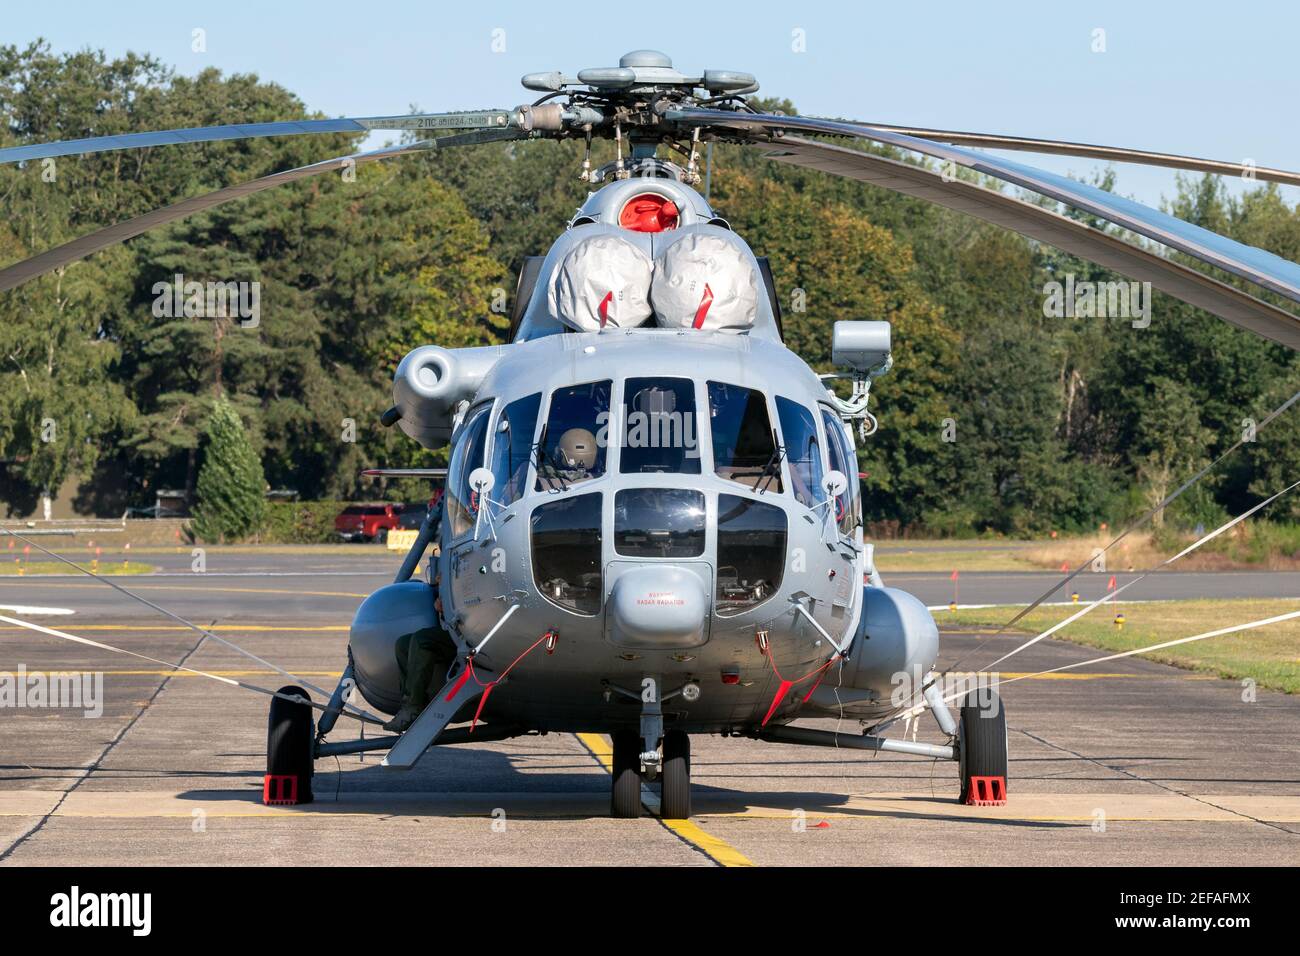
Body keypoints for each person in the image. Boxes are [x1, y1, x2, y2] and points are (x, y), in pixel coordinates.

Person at [382, 583, 455, 733]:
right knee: (403, 644)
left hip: (479, 636)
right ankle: (410, 705)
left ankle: (413, 707)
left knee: (422, 640)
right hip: (457, 631)